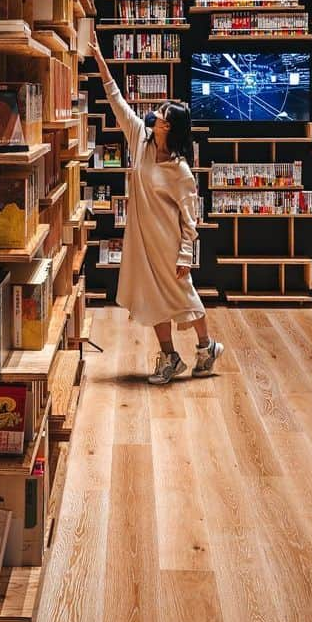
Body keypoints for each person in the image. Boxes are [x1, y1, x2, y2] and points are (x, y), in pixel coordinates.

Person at [89, 32, 224, 385]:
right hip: (142, 240)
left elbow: (190, 218)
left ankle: (207, 347)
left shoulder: (180, 170)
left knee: (183, 296)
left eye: (161, 115)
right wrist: (100, 59)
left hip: (168, 244)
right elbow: (117, 101)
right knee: (153, 300)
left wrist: (184, 254)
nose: (153, 115)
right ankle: (169, 356)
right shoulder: (140, 140)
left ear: (170, 127)